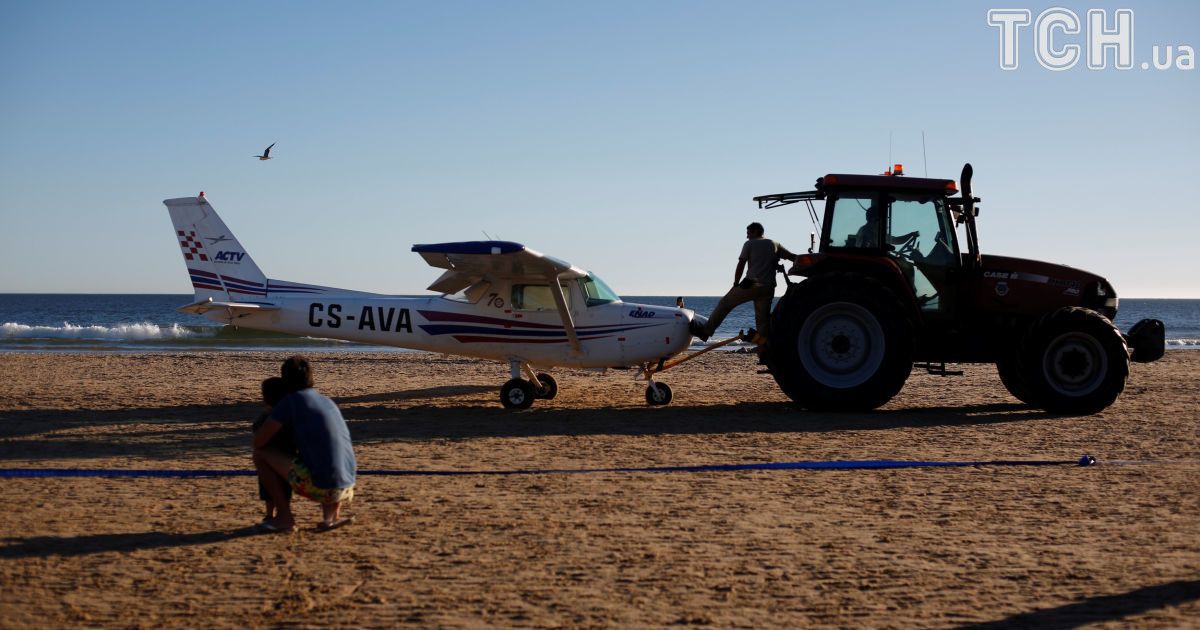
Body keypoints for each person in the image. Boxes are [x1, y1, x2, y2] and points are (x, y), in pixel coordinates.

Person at [253, 356, 357, 533]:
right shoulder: (326, 401)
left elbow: (259, 441)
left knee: (260, 455)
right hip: (347, 486)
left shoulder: (290, 402)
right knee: (326, 457)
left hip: (323, 488)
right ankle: (329, 518)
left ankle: (285, 518)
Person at [691, 223, 794, 344]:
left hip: (752, 285)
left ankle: (706, 332)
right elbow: (792, 257)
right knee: (762, 321)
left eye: (748, 233)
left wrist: (735, 283)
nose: (747, 236)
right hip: (768, 287)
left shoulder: (749, 244)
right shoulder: (774, 244)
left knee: (725, 304)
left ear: (756, 232)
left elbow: (741, 264)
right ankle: (765, 345)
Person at [252, 376, 295, 525]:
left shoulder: (267, 417)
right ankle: (278, 512)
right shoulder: (288, 416)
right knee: (284, 490)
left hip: (270, 458)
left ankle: (270, 514)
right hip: (286, 458)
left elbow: (257, 437)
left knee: (268, 489)